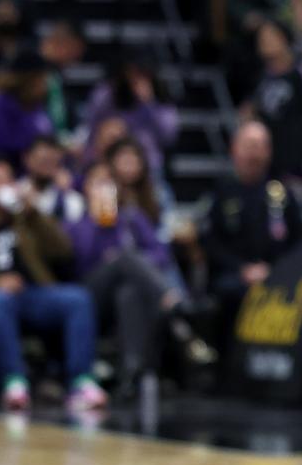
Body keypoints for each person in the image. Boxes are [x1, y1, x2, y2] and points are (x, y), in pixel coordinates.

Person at [0, 158, 106, 411]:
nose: (3, 186)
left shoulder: (26, 218)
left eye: (7, 180)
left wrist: (34, 213)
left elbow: (64, 250)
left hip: (32, 294)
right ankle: (14, 382)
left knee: (77, 298)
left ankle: (81, 381)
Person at [67, 162, 207, 397]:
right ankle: (172, 301)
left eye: (108, 183)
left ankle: (131, 372)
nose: (103, 188)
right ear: (85, 188)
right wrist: (99, 226)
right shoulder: (77, 224)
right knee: (125, 258)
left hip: (128, 293)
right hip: (90, 294)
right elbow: (78, 261)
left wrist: (131, 258)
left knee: (128, 291)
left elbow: (160, 254)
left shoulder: (132, 218)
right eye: (97, 182)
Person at [202, 121, 302, 328]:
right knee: (228, 291)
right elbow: (210, 242)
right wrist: (242, 269)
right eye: (249, 145)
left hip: (280, 274)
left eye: (260, 146)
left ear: (269, 151)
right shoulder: (221, 191)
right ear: (234, 148)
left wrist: (275, 269)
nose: (254, 154)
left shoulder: (286, 192)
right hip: (234, 275)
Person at [82, 58, 179, 178]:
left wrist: (149, 103)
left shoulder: (160, 99)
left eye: (142, 75)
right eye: (132, 73)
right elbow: (91, 127)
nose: (136, 79)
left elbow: (168, 136)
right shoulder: (106, 94)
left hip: (147, 166)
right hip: (107, 163)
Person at [252, 20, 302, 179]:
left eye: (270, 37)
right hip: (269, 155)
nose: (265, 42)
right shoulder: (261, 76)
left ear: (284, 38)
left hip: (297, 154)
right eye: (261, 39)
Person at [0, 49, 53, 169]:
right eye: (42, 79)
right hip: (3, 174)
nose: (45, 85)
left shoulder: (35, 105)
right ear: (28, 80)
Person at [20, 136, 84, 225]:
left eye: (52, 161)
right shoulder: (17, 192)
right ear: (27, 159)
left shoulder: (70, 198)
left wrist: (62, 197)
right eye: (42, 161)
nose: (46, 167)